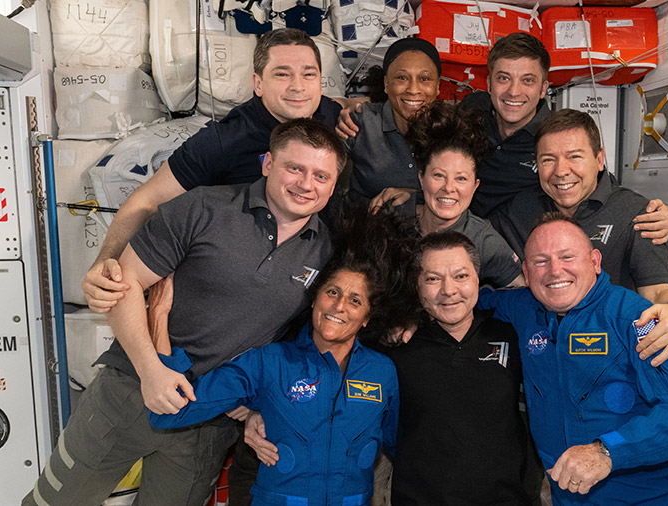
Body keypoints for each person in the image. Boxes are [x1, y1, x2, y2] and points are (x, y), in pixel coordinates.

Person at [23, 119, 346, 506]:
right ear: (267, 163)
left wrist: (258, 405)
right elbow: (124, 287)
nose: (306, 184)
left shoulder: (325, 253)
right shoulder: (203, 207)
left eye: (321, 175)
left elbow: (291, 343)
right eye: (295, 167)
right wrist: (151, 371)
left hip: (209, 423)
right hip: (131, 393)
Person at [149, 209, 420, 506]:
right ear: (315, 298)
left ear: (367, 317)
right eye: (332, 292)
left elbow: (404, 451)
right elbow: (169, 413)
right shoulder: (268, 363)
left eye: (355, 301)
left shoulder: (382, 372)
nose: (340, 306)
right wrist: (158, 319)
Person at [82, 28, 344, 313]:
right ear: (258, 83)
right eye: (282, 74)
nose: (298, 86)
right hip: (243, 289)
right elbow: (146, 200)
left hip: (314, 274)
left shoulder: (325, 114)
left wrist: (358, 106)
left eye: (309, 74)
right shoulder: (224, 141)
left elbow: (342, 105)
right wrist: (103, 261)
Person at [477, 214, 668, 506]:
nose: (555, 271)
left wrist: (607, 451)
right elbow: (463, 301)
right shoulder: (523, 309)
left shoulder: (637, 320)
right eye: (541, 261)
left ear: (595, 261)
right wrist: (413, 319)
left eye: (567, 257)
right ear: (527, 273)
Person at [493, 108, 668, 367]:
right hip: (541, 368)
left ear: (599, 159)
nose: (561, 171)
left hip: (612, 369)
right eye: (548, 160)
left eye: (574, 157)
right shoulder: (517, 211)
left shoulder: (636, 213)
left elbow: (657, 293)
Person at [459, 32, 668, 244]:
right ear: (488, 83)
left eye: (528, 80)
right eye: (504, 78)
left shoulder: (554, 137)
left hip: (516, 248)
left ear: (544, 88)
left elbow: (598, 187)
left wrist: (657, 215)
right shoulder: (469, 113)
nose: (514, 91)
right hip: (461, 237)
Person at [385, 232, 530, 506]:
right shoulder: (396, 347)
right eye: (432, 278)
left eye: (461, 276)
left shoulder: (512, 335)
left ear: (478, 279)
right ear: (417, 285)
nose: (448, 290)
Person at [371, 101, 524, 287]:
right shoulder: (393, 215)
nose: (449, 188)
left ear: (475, 186)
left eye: (461, 179)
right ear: (421, 178)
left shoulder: (484, 241)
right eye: (438, 176)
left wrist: (485, 300)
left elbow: (522, 292)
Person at [338, 37, 441, 207]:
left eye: (424, 79)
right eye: (402, 78)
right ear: (386, 84)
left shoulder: (451, 127)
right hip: (364, 228)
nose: (413, 89)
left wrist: (414, 197)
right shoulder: (359, 122)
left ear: (438, 86)